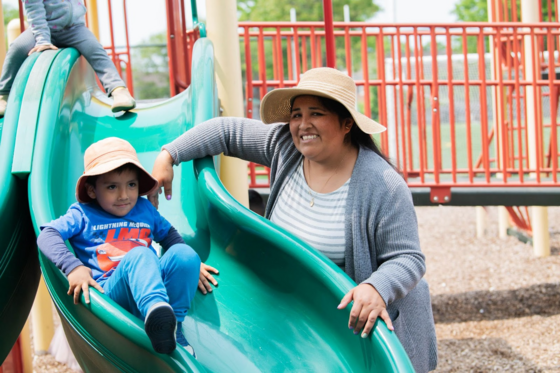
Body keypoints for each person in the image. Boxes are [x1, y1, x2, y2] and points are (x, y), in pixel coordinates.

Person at [150, 67, 438, 372]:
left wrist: (377, 287)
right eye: (296, 114)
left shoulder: (381, 183)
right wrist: (168, 155)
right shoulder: (285, 147)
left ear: (346, 123)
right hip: (288, 312)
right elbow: (225, 131)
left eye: (316, 113)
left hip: (338, 327)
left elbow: (407, 257)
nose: (303, 125)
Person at [37, 137, 201, 356]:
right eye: (112, 186)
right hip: (111, 292)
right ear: (93, 190)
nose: (124, 195)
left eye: (131, 185)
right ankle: (155, 310)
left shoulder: (144, 208)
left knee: (186, 255)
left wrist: (193, 266)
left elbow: (169, 235)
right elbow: (48, 234)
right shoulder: (83, 213)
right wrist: (73, 267)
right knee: (140, 254)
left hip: (150, 281)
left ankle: (171, 328)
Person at [0, 0, 135, 117]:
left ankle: (118, 89)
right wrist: (43, 40)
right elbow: (34, 11)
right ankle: (4, 94)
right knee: (17, 48)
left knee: (95, 49)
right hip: (44, 29)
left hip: (74, 28)